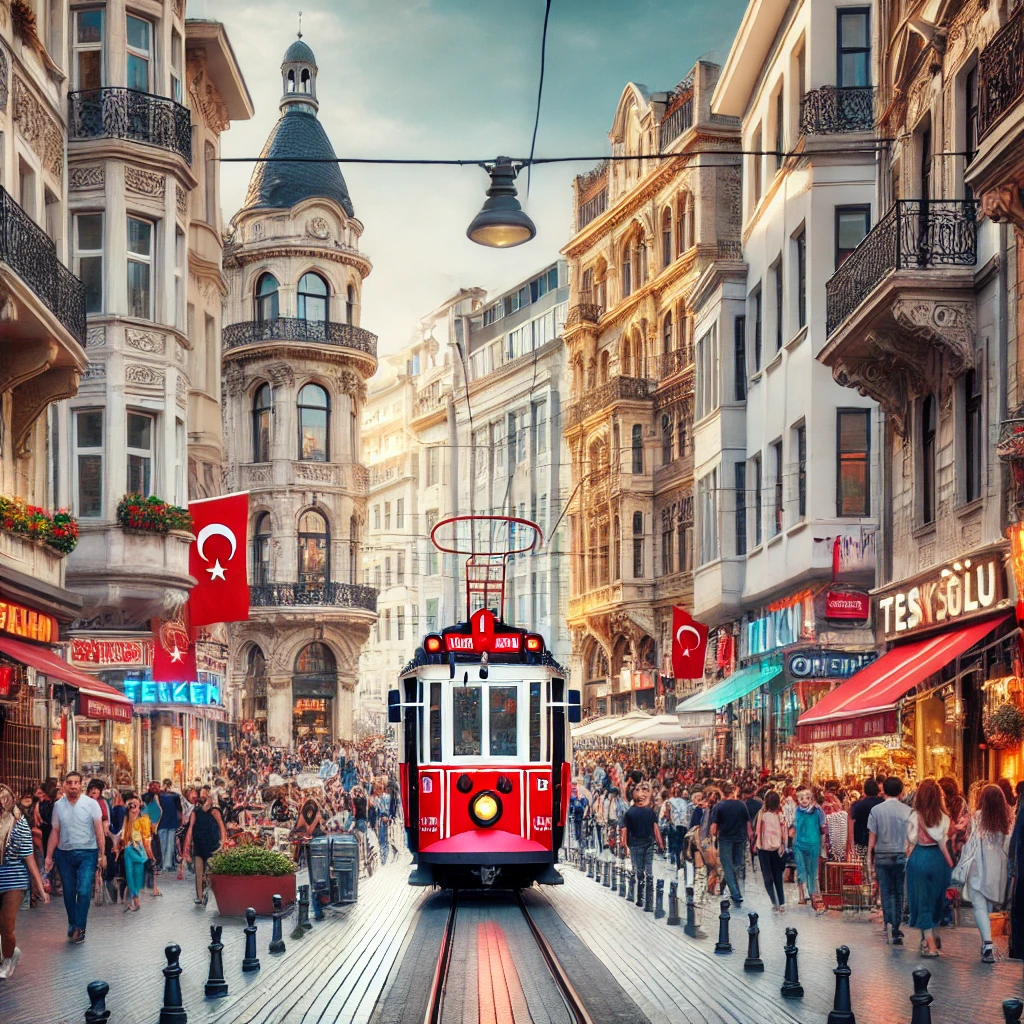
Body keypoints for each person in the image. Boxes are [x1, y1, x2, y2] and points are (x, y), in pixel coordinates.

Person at [44, 772, 106, 944]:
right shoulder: (58, 806)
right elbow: (55, 831)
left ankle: (80, 927)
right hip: (64, 854)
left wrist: (102, 854)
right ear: (64, 785)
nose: (73, 786)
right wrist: (49, 857)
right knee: (69, 893)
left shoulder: (91, 804)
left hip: (88, 852)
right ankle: (73, 924)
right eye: (70, 783)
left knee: (84, 891)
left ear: (81, 785)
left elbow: (99, 831)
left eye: (76, 783)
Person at [0, 783, 48, 978]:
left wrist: (40, 887)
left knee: (7, 925)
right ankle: (9, 952)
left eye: (5, 799)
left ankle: (9, 958)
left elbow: (29, 857)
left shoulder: (19, 824)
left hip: (14, 880)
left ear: (12, 799)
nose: (2, 803)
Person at [962, 783, 1012, 963]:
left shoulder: (976, 818)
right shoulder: (1006, 819)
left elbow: (970, 842)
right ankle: (987, 940)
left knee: (980, 905)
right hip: (998, 868)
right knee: (989, 904)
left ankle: (987, 941)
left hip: (978, 866)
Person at [905, 777, 952, 957]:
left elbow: (911, 839)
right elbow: (943, 841)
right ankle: (932, 937)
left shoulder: (914, 816)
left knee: (922, 901)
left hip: (919, 858)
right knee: (936, 900)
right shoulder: (945, 818)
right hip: (938, 860)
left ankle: (930, 945)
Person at [868, 775, 913, 945]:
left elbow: (872, 839)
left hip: (882, 856)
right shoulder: (908, 811)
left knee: (885, 891)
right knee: (899, 892)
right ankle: (896, 926)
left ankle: (888, 922)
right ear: (901, 791)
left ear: (884, 791)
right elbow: (911, 837)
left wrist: (868, 859)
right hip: (901, 855)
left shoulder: (876, 811)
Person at [710, 782, 752, 904]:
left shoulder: (719, 806)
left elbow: (713, 829)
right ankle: (739, 890)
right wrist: (751, 840)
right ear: (733, 792)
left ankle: (735, 893)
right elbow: (748, 825)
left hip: (725, 839)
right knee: (738, 865)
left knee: (727, 866)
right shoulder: (742, 805)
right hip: (740, 839)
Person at [183, 786, 227, 906]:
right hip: (199, 845)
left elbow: (222, 828)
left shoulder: (214, 811)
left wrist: (223, 843)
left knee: (210, 873)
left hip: (213, 846)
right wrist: (186, 850)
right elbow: (190, 830)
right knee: (198, 873)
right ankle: (200, 896)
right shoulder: (195, 812)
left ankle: (210, 895)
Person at [620, 785, 664, 903]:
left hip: (635, 845)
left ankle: (639, 897)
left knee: (638, 871)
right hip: (649, 844)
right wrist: (661, 844)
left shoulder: (629, 813)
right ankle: (648, 901)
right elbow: (656, 829)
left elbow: (624, 830)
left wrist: (624, 845)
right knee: (649, 872)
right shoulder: (650, 812)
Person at [790, 786, 826, 912]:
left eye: (806, 797)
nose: (804, 800)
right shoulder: (797, 811)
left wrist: (823, 844)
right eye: (801, 798)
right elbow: (793, 826)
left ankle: (812, 894)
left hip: (813, 844)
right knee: (801, 870)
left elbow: (823, 828)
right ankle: (803, 893)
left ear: (811, 798)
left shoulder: (817, 811)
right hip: (799, 844)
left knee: (812, 871)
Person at [115, 795, 153, 913]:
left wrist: (150, 854)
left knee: (136, 876)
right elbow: (123, 834)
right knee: (129, 876)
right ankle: (133, 900)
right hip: (128, 849)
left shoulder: (144, 819)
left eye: (135, 803)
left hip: (140, 849)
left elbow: (147, 838)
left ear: (140, 804)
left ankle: (131, 899)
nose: (132, 805)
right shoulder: (126, 819)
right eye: (130, 803)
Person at [754, 789, 788, 912]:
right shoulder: (780, 814)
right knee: (777, 876)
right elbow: (785, 832)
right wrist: (784, 845)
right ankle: (781, 902)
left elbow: (757, 832)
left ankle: (774, 901)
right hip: (777, 848)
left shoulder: (762, 814)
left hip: (763, 848)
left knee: (768, 877)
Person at [849, 779, 883, 874]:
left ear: (864, 790)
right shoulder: (882, 803)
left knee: (863, 867)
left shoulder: (857, 805)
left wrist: (851, 843)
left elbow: (851, 822)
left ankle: (866, 883)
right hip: (879, 840)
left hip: (861, 839)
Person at [157, 779, 182, 874]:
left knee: (162, 844)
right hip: (172, 822)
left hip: (161, 823)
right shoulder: (175, 796)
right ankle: (168, 864)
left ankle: (163, 864)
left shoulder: (158, 796)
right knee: (171, 843)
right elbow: (180, 809)